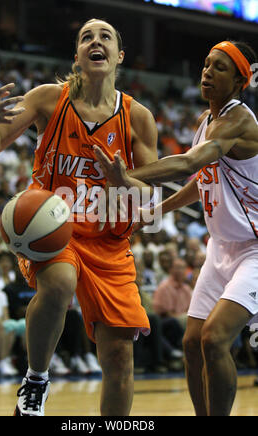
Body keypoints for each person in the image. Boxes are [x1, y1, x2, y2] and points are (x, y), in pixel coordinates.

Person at [0, 18, 158, 416]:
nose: (96, 41)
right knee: (58, 282)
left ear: (119, 56)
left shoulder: (137, 117)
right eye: (86, 37)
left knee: (119, 355)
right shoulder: (47, 98)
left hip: (110, 238)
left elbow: (150, 194)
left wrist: (124, 181)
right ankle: (36, 381)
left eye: (105, 36)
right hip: (55, 227)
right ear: (77, 56)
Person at [94, 40, 258, 416]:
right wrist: (157, 211)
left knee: (215, 339)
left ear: (238, 82)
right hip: (220, 248)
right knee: (191, 342)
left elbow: (187, 163)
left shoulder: (240, 120)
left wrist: (125, 175)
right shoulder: (206, 121)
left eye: (219, 67)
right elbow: (200, 180)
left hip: (253, 248)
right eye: (205, 64)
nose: (207, 71)